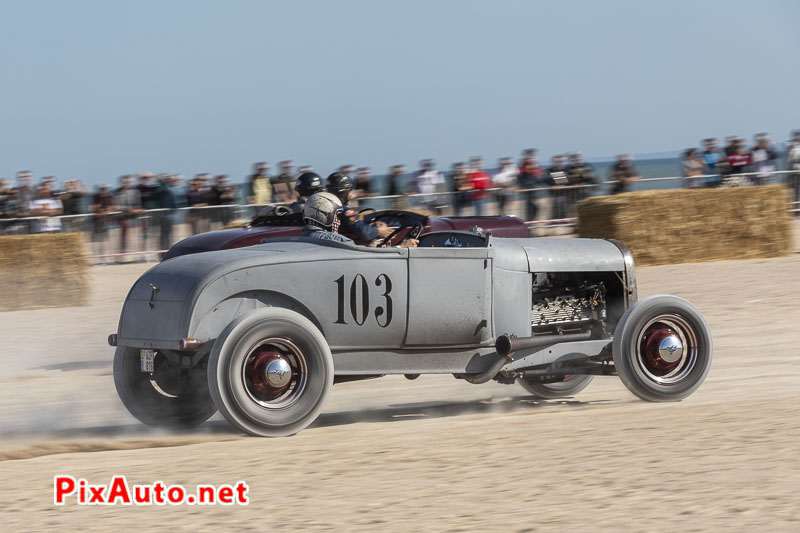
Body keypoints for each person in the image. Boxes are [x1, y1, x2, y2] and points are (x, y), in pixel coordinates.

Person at [326, 172, 395, 242]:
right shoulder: (344, 210)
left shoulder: (327, 208)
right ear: (344, 192)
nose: (352, 194)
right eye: (351, 191)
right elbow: (365, 233)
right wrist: (380, 231)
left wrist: (367, 224)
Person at [115, 175, 142, 253]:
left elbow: (138, 204)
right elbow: (116, 206)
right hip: (121, 217)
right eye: (124, 182)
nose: (126, 184)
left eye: (128, 182)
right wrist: (128, 209)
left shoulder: (135, 192)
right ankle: (123, 249)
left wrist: (135, 210)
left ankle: (135, 250)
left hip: (134, 217)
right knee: (125, 229)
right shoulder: (117, 192)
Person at [517, 149, 543, 221]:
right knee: (530, 209)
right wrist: (522, 187)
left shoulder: (533, 165)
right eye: (529, 155)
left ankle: (530, 223)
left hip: (533, 190)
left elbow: (539, 176)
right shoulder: (523, 165)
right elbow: (520, 176)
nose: (531, 157)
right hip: (528, 190)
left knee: (534, 208)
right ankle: (529, 225)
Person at [786, 130, 800, 216]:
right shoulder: (791, 147)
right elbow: (790, 159)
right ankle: (796, 209)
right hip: (795, 171)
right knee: (796, 192)